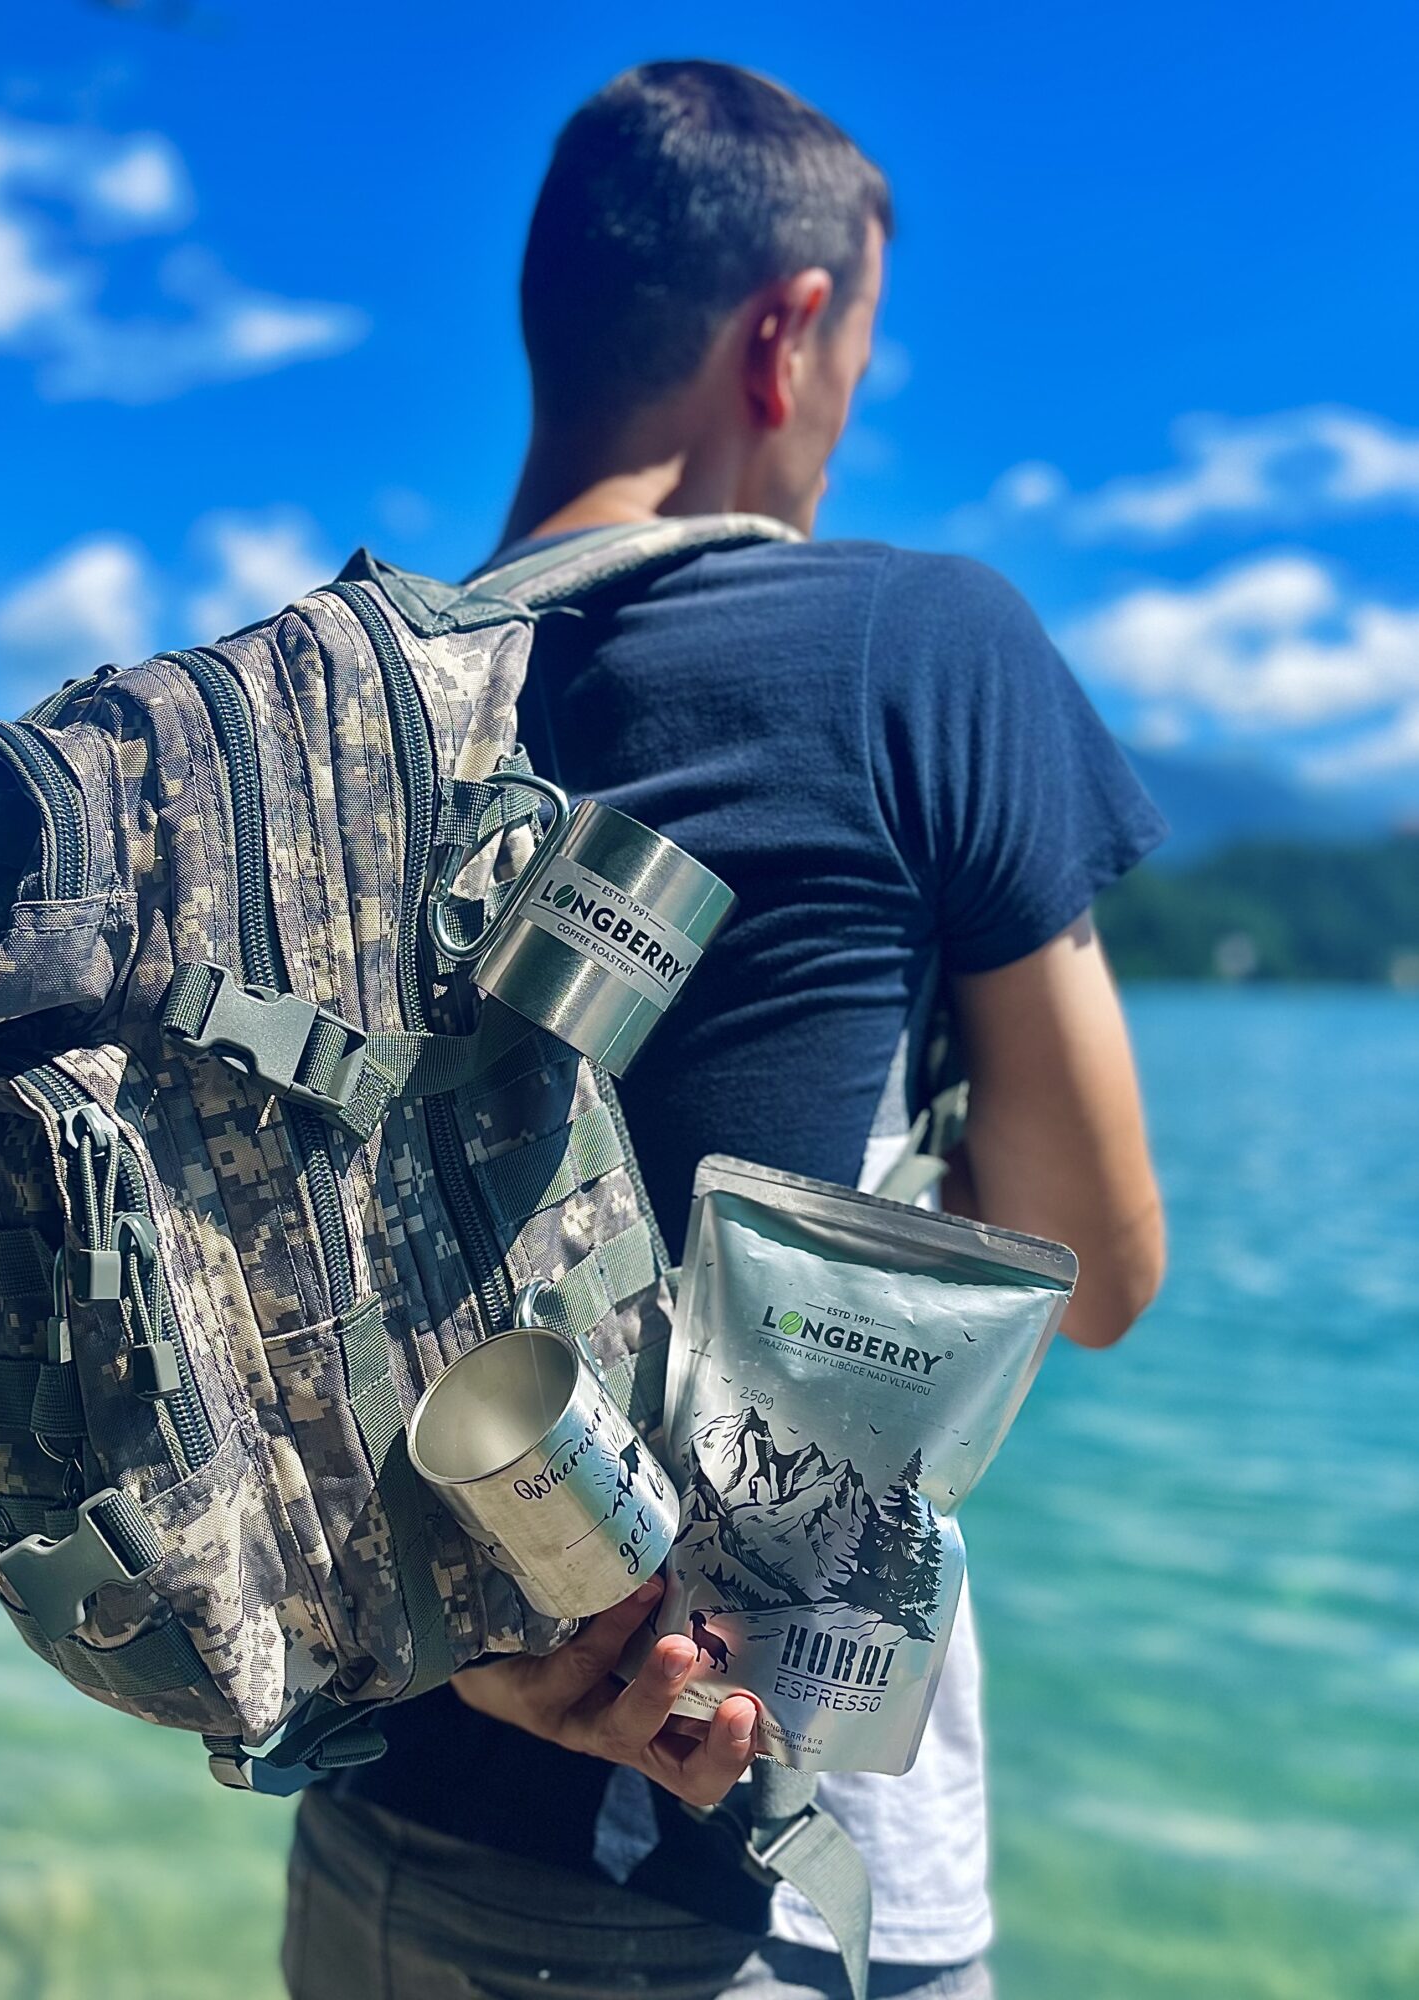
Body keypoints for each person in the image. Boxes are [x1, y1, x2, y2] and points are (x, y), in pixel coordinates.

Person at [282, 58, 1166, 2000]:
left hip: (375, 1829)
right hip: (735, 1875)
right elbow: (1097, 1268)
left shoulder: (347, 730)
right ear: (787, 334)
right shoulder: (924, 652)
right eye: (857, 355)